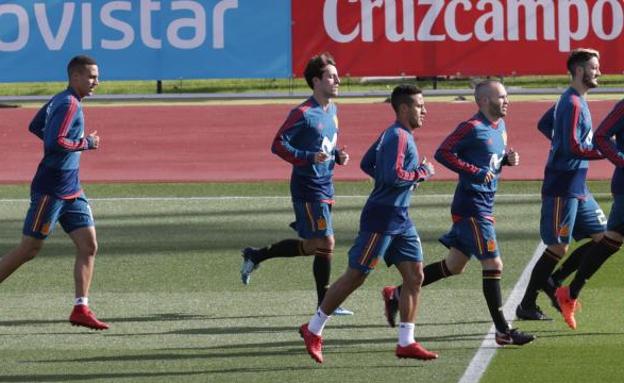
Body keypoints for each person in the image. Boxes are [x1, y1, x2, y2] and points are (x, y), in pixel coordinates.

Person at [382, 80, 535, 346]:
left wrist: (504, 162)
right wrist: (474, 172)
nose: (507, 100)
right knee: (493, 265)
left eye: (507, 96)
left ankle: (395, 295)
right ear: (484, 101)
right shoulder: (471, 127)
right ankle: (502, 331)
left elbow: (488, 162)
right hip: (472, 206)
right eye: (501, 97)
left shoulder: (500, 127)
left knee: (454, 266)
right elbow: (443, 153)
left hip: (484, 205)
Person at [299, 84, 437, 363]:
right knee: (356, 276)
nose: (425, 111)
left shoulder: (395, 134)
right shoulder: (398, 136)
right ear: (404, 109)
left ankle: (406, 341)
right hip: (382, 218)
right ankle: (312, 329)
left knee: (415, 276)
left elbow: (366, 163)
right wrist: (421, 173)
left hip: (400, 217)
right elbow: (393, 175)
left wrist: (400, 184)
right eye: (420, 106)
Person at [515, 49, 621, 329]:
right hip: (563, 184)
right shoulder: (573, 103)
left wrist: (560, 142)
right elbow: (572, 147)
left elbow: (545, 125)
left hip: (578, 185)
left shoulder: (574, 99)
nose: (598, 72)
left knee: (602, 238)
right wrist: (607, 152)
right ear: (578, 71)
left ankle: (556, 282)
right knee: (558, 246)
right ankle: (526, 304)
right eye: (593, 67)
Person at [0, 55, 108, 330]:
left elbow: (35, 125)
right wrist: (87, 143)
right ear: (75, 77)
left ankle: (80, 308)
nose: (97, 81)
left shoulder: (61, 99)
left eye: (96, 76)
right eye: (92, 76)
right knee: (29, 249)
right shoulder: (69, 104)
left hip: (71, 188)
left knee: (89, 246)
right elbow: (55, 142)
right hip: (51, 190)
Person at [240, 52, 352, 316]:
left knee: (315, 246)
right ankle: (325, 304)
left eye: (337, 76)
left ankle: (256, 256)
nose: (338, 81)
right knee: (327, 242)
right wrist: (307, 157)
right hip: (308, 187)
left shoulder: (332, 110)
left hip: (326, 184)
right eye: (331, 76)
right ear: (316, 81)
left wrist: (337, 156)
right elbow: (278, 144)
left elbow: (323, 145)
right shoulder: (302, 113)